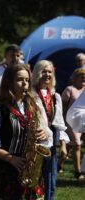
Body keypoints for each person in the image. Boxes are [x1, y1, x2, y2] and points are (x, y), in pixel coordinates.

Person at [0, 63, 49, 200]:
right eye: (20, 80)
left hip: (29, 169)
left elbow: (44, 128)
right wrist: (10, 158)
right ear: (9, 82)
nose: (25, 84)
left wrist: (45, 133)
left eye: (27, 80)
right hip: (6, 171)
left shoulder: (32, 105)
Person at [31, 60, 68, 200]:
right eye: (44, 71)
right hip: (33, 143)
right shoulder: (29, 94)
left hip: (50, 144)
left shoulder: (55, 96)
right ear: (37, 73)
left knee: (50, 180)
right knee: (33, 180)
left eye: (50, 71)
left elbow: (59, 123)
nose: (47, 74)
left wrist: (63, 144)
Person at [58, 68, 85, 179]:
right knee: (77, 144)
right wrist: (62, 121)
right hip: (69, 122)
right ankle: (78, 172)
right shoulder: (69, 89)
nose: (84, 78)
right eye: (81, 76)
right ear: (75, 78)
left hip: (81, 122)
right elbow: (62, 107)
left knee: (69, 146)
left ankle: (58, 164)